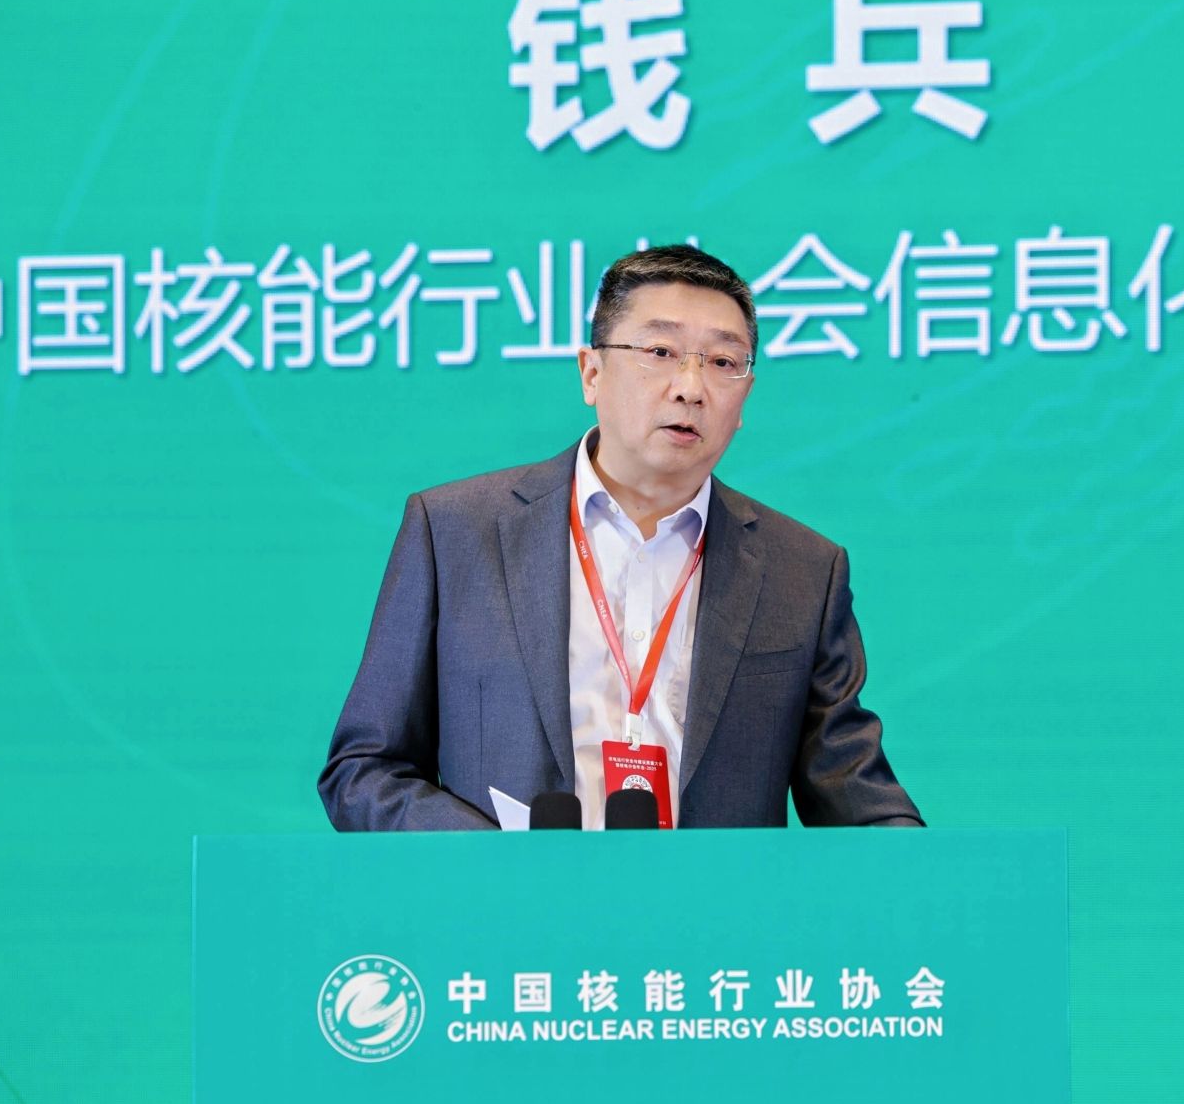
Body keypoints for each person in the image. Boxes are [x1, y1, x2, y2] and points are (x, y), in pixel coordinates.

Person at [320, 244, 922, 831]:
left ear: (744, 398)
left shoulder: (802, 570)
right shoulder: (455, 532)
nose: (690, 387)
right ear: (591, 373)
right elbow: (365, 771)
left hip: (710, 901)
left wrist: (934, 874)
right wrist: (490, 859)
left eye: (722, 362)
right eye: (660, 351)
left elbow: (853, 791)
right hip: (505, 897)